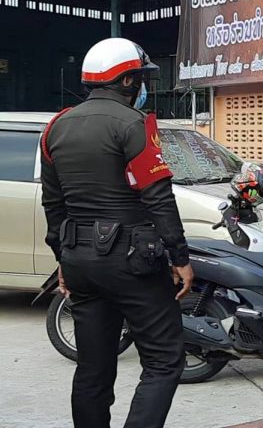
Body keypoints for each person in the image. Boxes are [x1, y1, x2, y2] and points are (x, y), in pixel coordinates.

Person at [40, 37, 193, 428]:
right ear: (127, 81)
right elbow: (158, 196)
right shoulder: (134, 124)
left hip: (79, 261)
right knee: (164, 358)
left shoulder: (55, 127)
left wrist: (63, 259)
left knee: (92, 367)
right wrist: (180, 256)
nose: (143, 86)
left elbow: (53, 204)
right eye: (140, 78)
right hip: (131, 260)